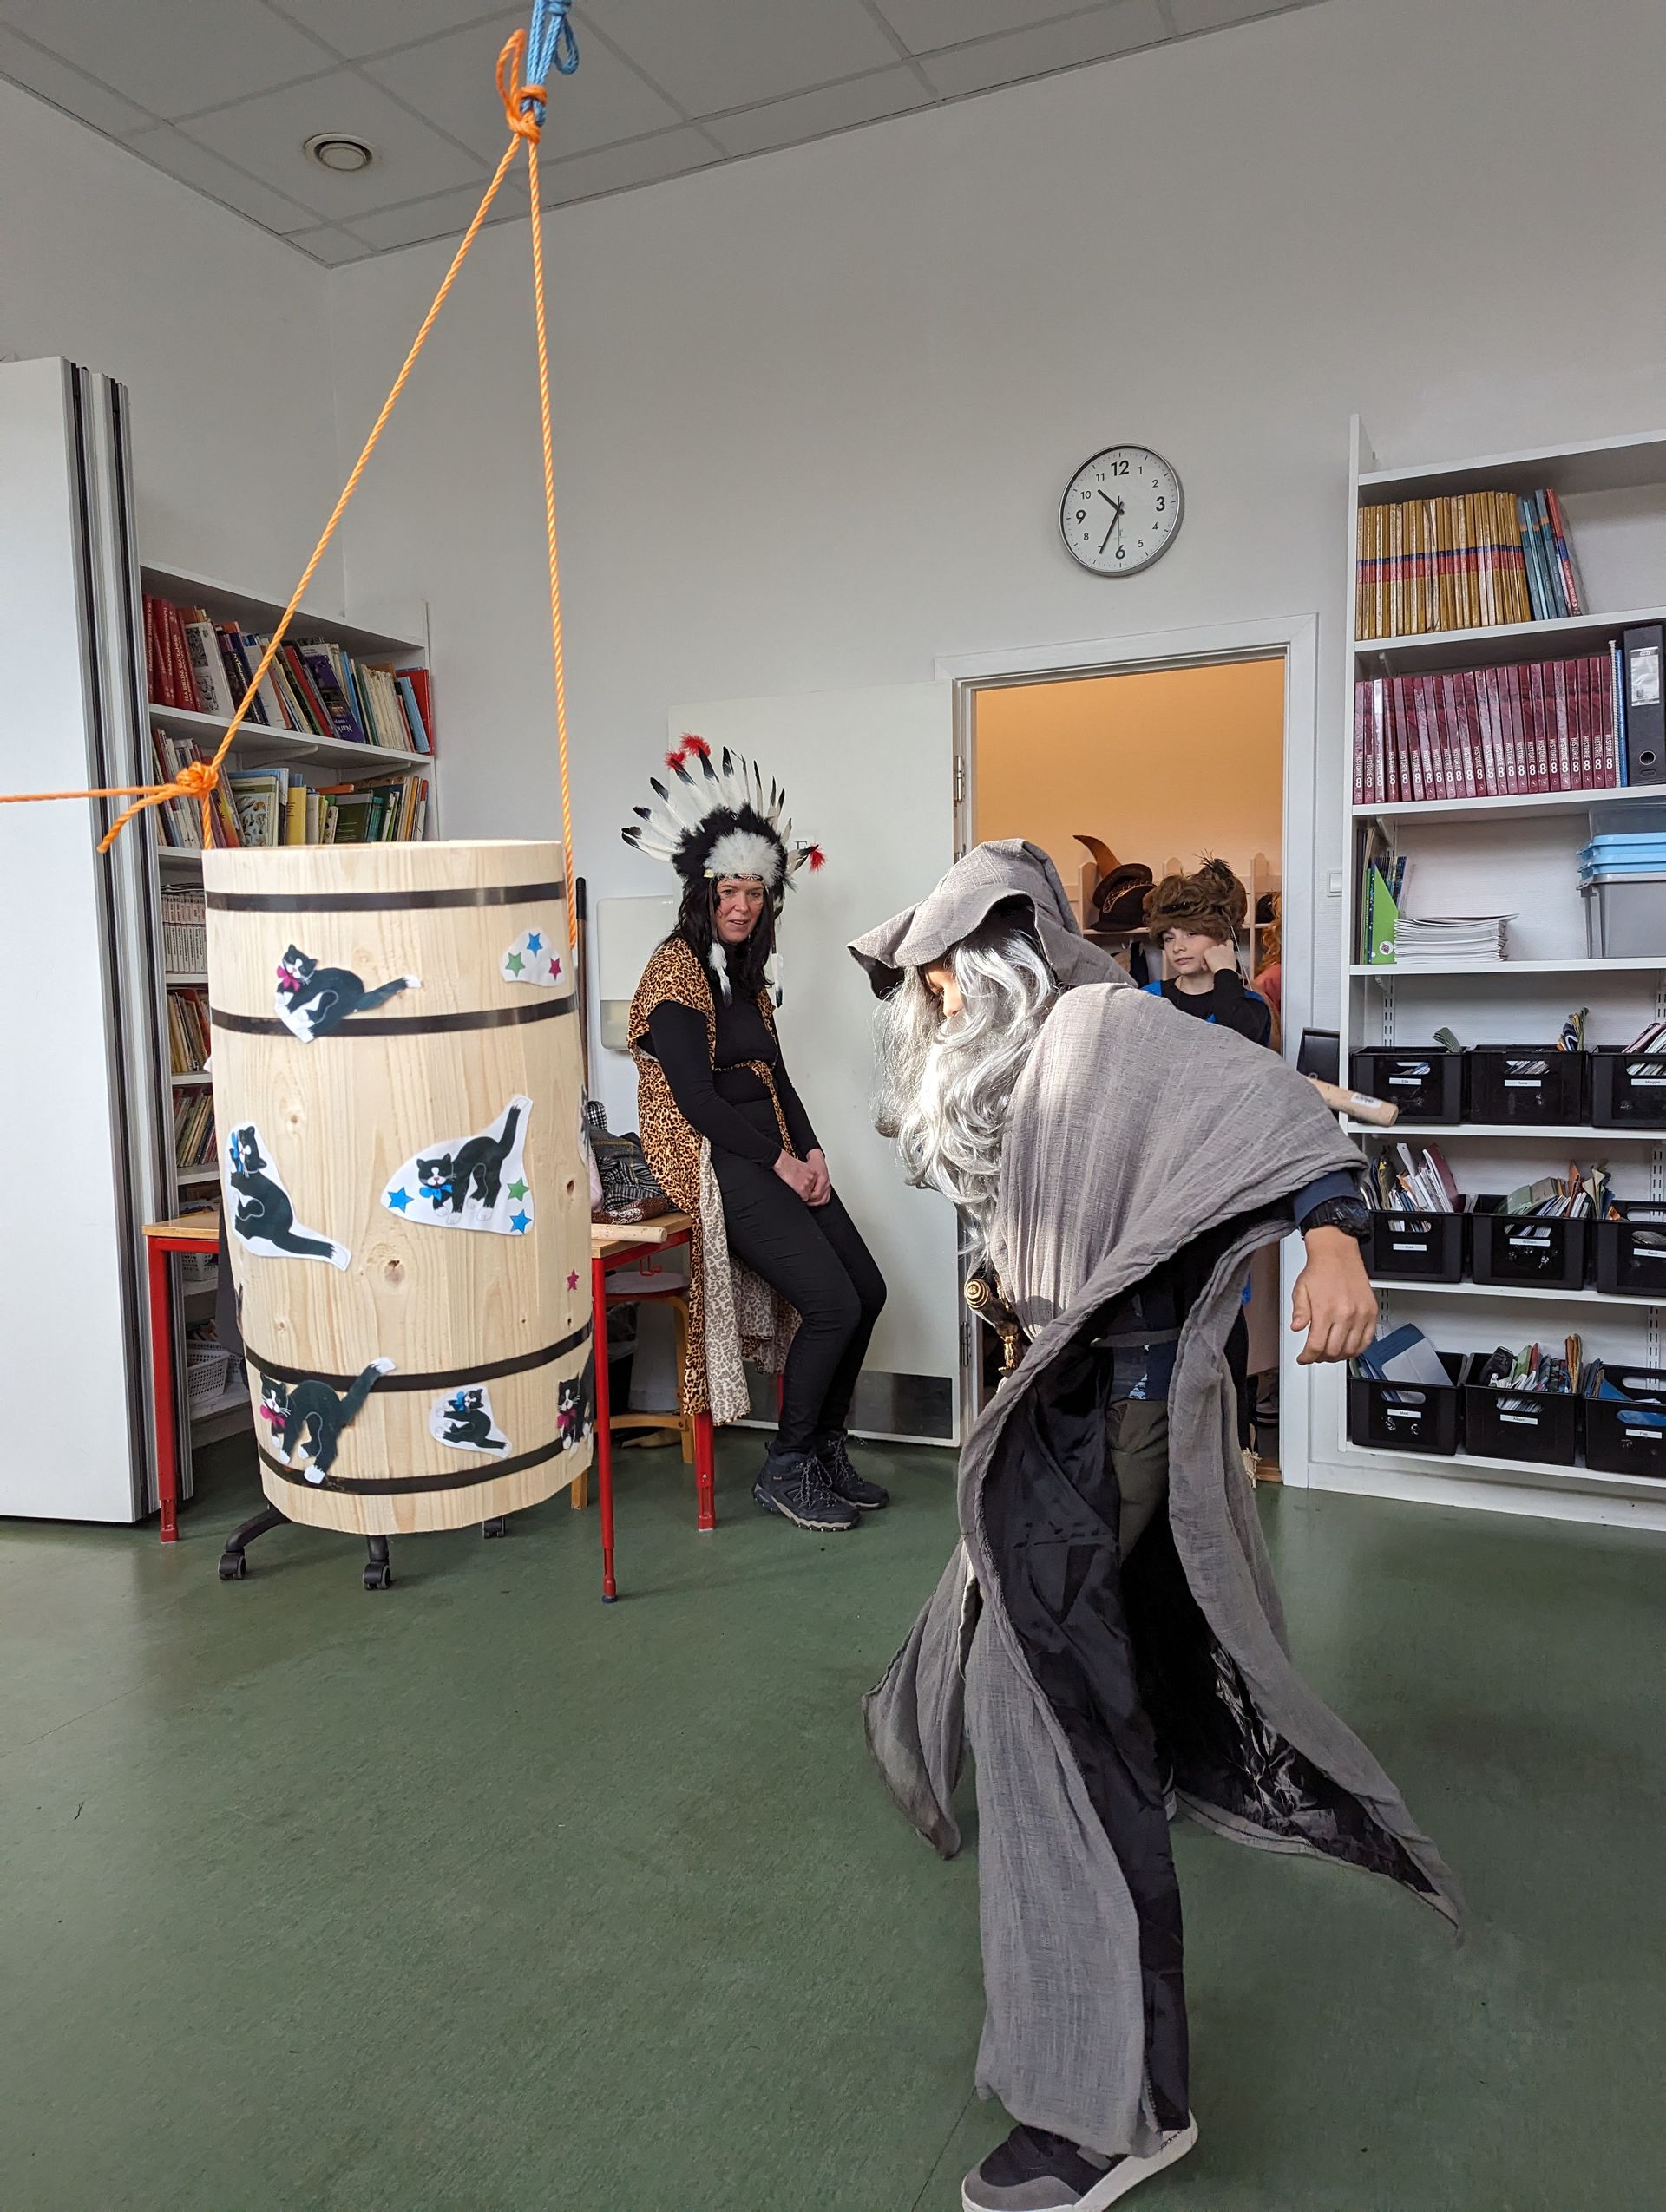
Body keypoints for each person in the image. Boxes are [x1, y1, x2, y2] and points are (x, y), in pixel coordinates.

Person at [849, 841, 1458, 2212]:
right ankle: (1123, 2063)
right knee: (1059, 1686)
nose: (933, 1004)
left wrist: (1335, 1241)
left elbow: (1275, 1110)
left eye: (942, 978)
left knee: (1045, 1719)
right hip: (1062, 1408)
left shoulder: (1105, 1032)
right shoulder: (1043, 1052)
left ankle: (1112, 2110)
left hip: (1112, 1419)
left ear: (995, 961)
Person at [623, 737, 887, 1535]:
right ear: (703, 892)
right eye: (729, 891)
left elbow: (779, 1078)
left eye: (755, 892)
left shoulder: (748, 980)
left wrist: (814, 1155)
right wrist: (778, 1162)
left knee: (866, 1292)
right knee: (831, 1304)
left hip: (774, 1155)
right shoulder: (675, 973)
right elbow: (698, 1102)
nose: (741, 905)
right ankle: (787, 1465)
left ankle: (827, 1448)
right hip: (720, 1161)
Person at [1140, 856, 1271, 1044]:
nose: (1177, 947)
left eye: (1191, 934)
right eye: (1169, 938)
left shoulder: (1251, 1007)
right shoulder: (1149, 999)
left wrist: (1225, 971)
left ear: (1221, 936)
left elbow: (1238, 1044)